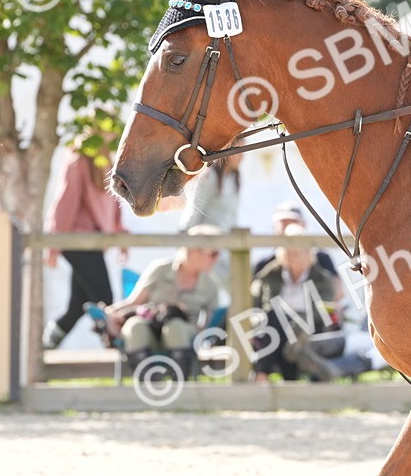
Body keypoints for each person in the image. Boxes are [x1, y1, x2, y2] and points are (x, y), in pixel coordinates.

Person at [100, 224, 223, 379]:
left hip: (183, 336)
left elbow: (207, 326)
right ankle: (148, 385)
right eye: (213, 253)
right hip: (150, 328)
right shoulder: (160, 269)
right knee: (135, 326)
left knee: (175, 327)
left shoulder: (211, 285)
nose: (217, 258)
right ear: (193, 251)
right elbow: (134, 302)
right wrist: (110, 313)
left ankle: (179, 384)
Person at [251, 225, 371, 381]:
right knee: (276, 320)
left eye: (300, 251)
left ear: (309, 253)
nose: (295, 255)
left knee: (293, 334)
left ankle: (269, 377)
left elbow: (322, 310)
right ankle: (268, 376)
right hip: (278, 328)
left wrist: (296, 321)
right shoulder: (270, 275)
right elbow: (264, 306)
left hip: (310, 328)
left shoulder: (322, 278)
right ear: (283, 254)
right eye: (291, 251)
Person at [43, 144, 128, 350]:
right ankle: (116, 349)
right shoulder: (78, 159)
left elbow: (114, 203)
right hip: (77, 241)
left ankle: (45, 345)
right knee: (104, 299)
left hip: (93, 242)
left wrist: (119, 233)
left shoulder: (107, 160)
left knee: (77, 306)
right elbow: (66, 202)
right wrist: (53, 246)